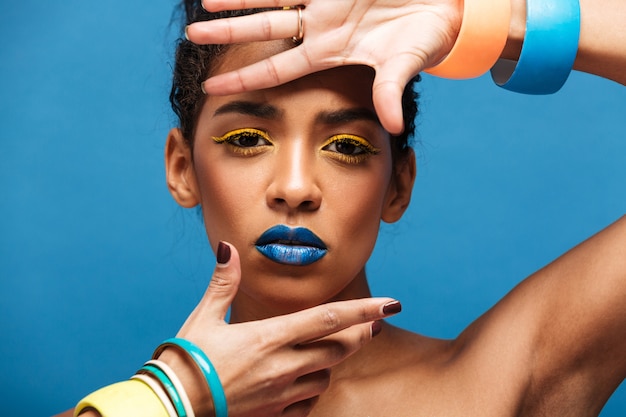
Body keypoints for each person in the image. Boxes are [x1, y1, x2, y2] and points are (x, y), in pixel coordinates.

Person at [59, 0, 626, 416]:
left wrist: (485, 19)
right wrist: (175, 396)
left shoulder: (498, 385)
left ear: (398, 185)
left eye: (347, 147)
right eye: (247, 139)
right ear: (183, 169)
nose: (297, 187)